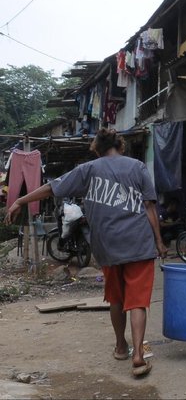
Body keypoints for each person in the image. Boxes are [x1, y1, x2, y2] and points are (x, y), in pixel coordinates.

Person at [5, 129, 167, 377]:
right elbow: (149, 207)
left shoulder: (88, 169)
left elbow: (52, 187)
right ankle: (138, 355)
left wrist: (20, 200)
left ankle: (121, 346)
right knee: (137, 301)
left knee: (116, 298)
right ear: (120, 146)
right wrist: (159, 241)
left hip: (107, 245)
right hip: (139, 243)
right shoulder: (138, 167)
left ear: (97, 149)